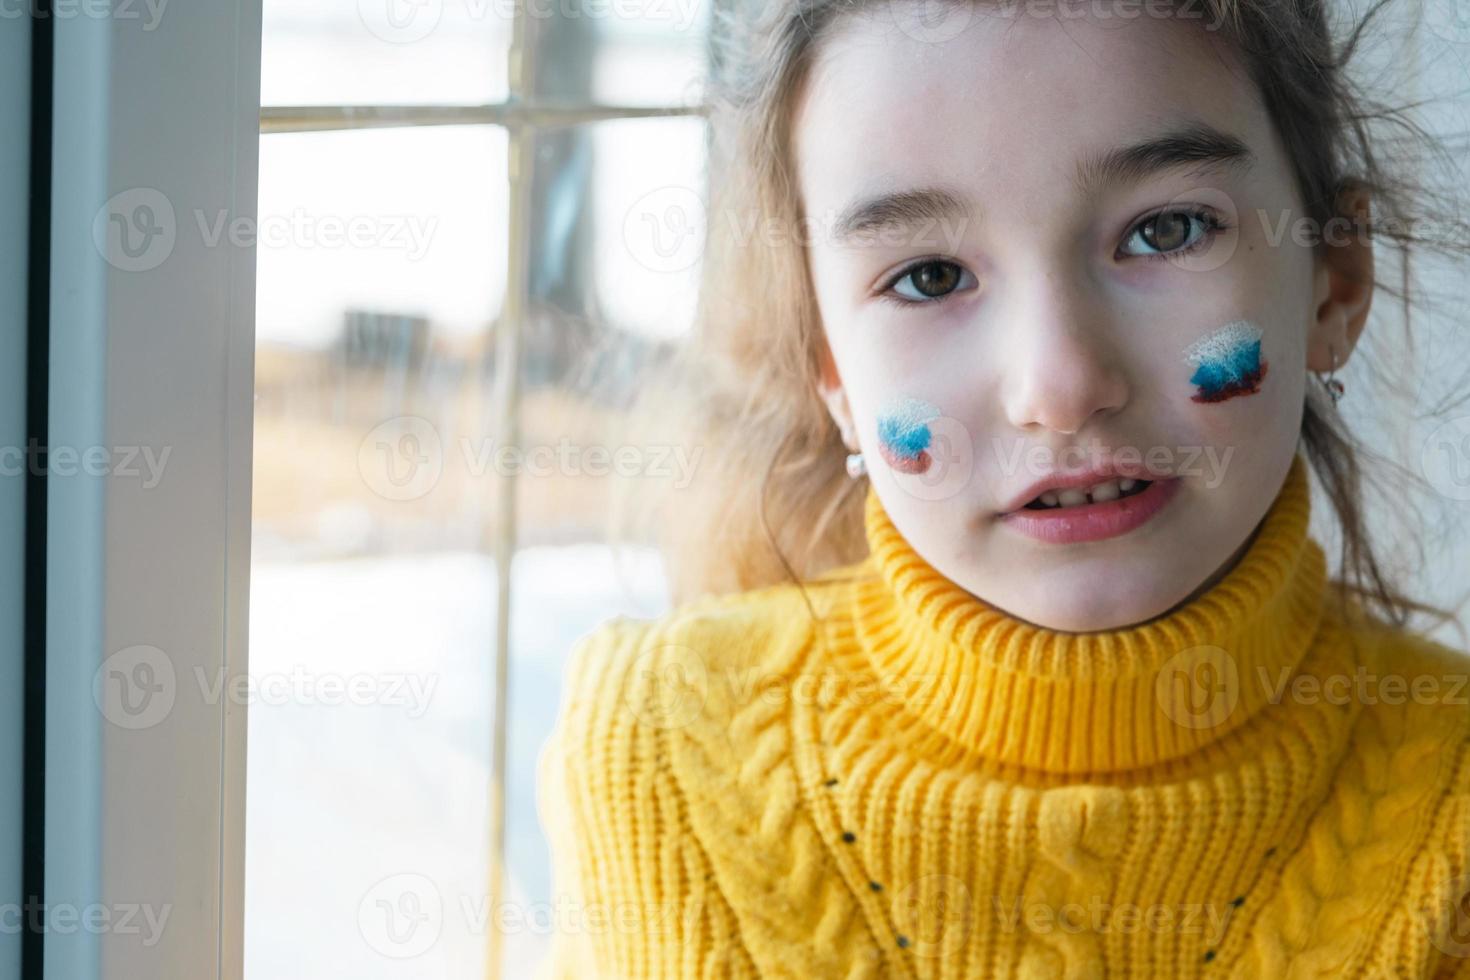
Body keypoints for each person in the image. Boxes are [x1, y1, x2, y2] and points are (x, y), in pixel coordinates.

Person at [537, 0, 1470, 973]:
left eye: (1167, 229)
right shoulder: (657, 754)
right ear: (834, 373)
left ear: (1334, 284)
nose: (1059, 386)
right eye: (930, 277)